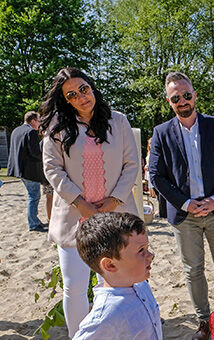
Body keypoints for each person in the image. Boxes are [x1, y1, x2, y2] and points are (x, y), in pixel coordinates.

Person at [40, 67, 140, 337]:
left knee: (116, 283)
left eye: (83, 89)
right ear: (66, 100)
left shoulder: (118, 121)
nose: (81, 97)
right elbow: (52, 170)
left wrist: (115, 199)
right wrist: (81, 203)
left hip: (116, 216)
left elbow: (131, 164)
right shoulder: (56, 129)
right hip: (75, 218)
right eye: (72, 94)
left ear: (92, 87)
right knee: (75, 287)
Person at [149, 71, 214, 340]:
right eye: (176, 98)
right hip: (184, 215)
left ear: (194, 95)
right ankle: (204, 321)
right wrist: (186, 204)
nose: (183, 101)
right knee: (193, 270)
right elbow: (156, 175)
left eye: (187, 95)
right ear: (169, 101)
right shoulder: (161, 132)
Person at [73, 212, 161, 340]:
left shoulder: (141, 285)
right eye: (141, 250)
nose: (150, 255)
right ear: (110, 265)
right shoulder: (106, 315)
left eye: (147, 248)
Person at [7, 111, 48, 231]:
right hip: (29, 171)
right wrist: (45, 156)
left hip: (18, 169)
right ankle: (34, 224)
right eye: (39, 120)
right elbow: (35, 153)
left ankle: (34, 220)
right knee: (34, 197)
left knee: (32, 196)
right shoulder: (31, 132)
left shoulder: (16, 130)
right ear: (33, 121)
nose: (39, 123)